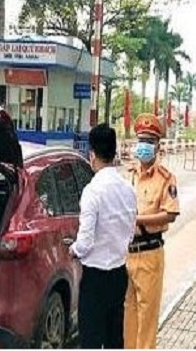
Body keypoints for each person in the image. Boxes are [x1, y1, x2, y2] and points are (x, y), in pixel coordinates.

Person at [69, 123, 137, 349]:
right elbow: (130, 233)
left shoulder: (92, 191)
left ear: (91, 154)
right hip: (119, 275)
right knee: (114, 339)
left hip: (95, 279)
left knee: (90, 340)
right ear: (114, 151)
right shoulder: (128, 189)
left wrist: (74, 249)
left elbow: (85, 243)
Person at [124, 114, 180, 349]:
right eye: (141, 140)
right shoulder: (128, 175)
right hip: (126, 253)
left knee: (147, 316)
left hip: (149, 253)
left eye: (149, 141)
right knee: (128, 313)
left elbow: (171, 213)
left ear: (157, 146)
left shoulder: (166, 178)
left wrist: (139, 220)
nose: (144, 145)